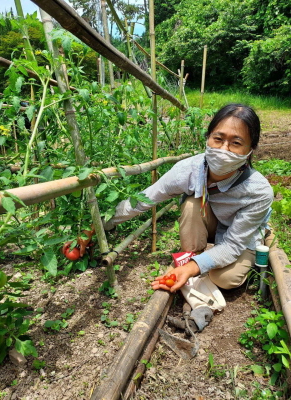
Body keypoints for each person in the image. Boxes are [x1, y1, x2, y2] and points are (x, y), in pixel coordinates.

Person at [80, 103, 273, 299]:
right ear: (208, 138)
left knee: (225, 278)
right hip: (213, 223)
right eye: (218, 139)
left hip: (240, 236)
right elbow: (144, 199)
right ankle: (191, 257)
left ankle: (202, 262)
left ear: (251, 149)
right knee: (192, 203)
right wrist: (97, 226)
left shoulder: (258, 191)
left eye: (236, 143)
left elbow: (233, 245)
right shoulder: (188, 170)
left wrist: (191, 269)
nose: (224, 149)